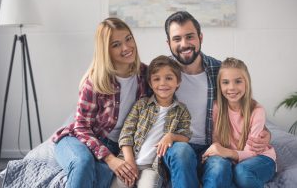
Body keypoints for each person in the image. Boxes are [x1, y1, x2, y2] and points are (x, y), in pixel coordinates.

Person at [162, 11, 272, 187]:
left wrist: (266, 133)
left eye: (190, 36)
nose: (184, 44)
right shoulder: (160, 74)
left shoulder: (219, 70)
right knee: (182, 153)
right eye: (177, 39)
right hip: (178, 145)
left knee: (220, 165)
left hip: (212, 146)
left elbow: (244, 107)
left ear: (200, 37)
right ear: (168, 43)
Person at [51, 17, 149, 188]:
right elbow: (81, 127)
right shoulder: (95, 82)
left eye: (128, 39)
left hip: (113, 145)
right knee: (83, 163)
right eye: (116, 44)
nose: (126, 47)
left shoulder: (145, 75)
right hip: (78, 139)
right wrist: (109, 159)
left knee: (103, 176)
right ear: (106, 50)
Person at [111, 55, 192, 188]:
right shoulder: (141, 105)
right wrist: (130, 162)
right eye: (156, 79)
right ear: (150, 83)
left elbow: (186, 136)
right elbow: (126, 134)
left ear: (178, 81)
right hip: (128, 161)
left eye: (169, 78)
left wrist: (171, 136)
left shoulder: (181, 110)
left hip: (152, 167)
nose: (163, 83)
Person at [202, 57, 276, 188]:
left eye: (238, 81)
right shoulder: (216, 108)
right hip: (233, 160)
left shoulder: (257, 110)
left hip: (260, 158)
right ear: (219, 85)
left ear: (246, 83)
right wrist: (216, 150)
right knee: (223, 173)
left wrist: (225, 152)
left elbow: (252, 152)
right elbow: (216, 142)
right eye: (225, 82)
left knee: (241, 172)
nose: (232, 87)